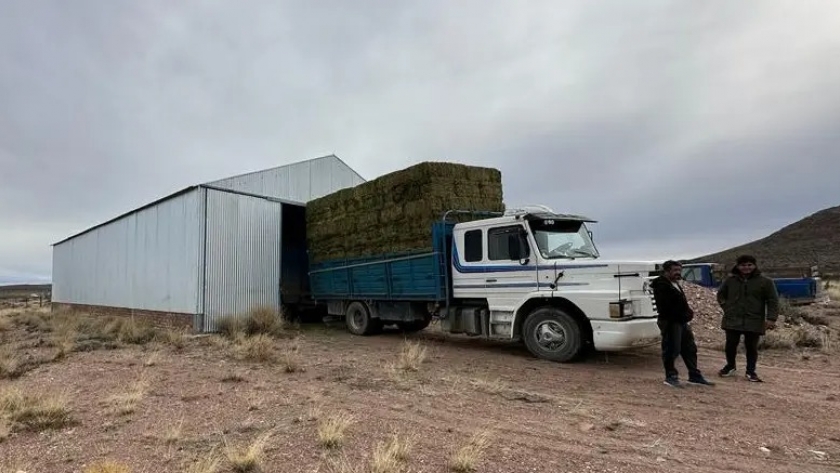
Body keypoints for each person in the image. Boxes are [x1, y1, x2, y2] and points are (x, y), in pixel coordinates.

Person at [716, 254, 780, 382]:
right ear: (738, 266)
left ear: (754, 266)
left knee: (751, 347)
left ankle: (751, 371)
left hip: (754, 319)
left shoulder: (765, 282)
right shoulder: (730, 280)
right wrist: (727, 307)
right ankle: (730, 366)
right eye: (743, 265)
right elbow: (720, 294)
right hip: (733, 319)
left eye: (749, 265)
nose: (746, 268)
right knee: (730, 345)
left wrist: (771, 318)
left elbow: (773, 300)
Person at [650, 260, 714, 388]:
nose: (678, 273)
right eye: (675, 270)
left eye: (679, 270)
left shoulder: (674, 284)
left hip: (681, 321)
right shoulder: (662, 285)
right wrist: (684, 314)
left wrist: (687, 313)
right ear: (667, 271)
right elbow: (668, 306)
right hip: (671, 321)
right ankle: (671, 376)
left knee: (689, 348)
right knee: (671, 349)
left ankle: (694, 375)